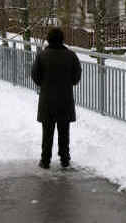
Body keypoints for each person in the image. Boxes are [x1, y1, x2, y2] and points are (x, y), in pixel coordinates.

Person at [31, 27, 82, 169]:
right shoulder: (71, 55)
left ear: (48, 39)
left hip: (47, 99)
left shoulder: (42, 56)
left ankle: (45, 159)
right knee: (64, 131)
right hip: (65, 99)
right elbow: (77, 76)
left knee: (47, 132)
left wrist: (44, 84)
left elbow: (35, 75)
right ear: (62, 39)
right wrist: (68, 83)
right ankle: (65, 159)